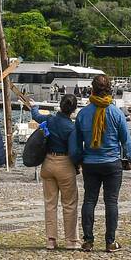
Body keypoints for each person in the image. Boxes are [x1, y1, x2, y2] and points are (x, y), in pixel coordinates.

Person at [70, 73, 131, 252]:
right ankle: (110, 241)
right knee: (111, 202)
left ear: (92, 89)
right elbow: (126, 140)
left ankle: (88, 240)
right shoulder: (116, 113)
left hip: (90, 163)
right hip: (112, 163)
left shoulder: (83, 114)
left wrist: (77, 161)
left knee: (89, 201)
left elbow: (76, 145)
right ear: (110, 90)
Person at [32, 95, 79, 250]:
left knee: (50, 204)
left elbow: (36, 116)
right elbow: (73, 151)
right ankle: (71, 240)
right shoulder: (71, 127)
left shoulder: (50, 120)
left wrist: (34, 107)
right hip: (65, 164)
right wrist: (78, 165)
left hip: (48, 162)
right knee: (69, 204)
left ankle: (51, 240)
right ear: (73, 110)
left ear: (60, 105)